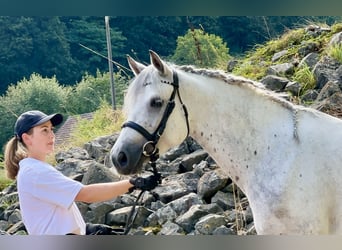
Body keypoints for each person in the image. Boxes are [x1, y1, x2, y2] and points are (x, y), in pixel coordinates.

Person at [4, 110, 159, 235]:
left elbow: (53, 216)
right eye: (44, 130)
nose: (52, 135)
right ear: (27, 138)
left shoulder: (34, 169)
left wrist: (86, 229)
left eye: (51, 129)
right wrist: (133, 183)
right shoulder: (36, 172)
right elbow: (85, 194)